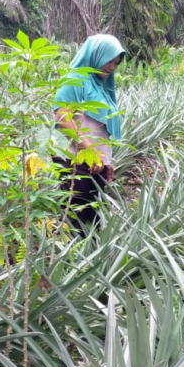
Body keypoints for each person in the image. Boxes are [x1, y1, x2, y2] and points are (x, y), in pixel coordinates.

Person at [53, 34, 125, 237]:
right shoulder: (75, 80)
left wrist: (106, 160)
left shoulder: (101, 85)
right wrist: (88, 150)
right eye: (109, 60)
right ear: (96, 55)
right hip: (75, 159)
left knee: (91, 215)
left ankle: (91, 260)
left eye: (116, 63)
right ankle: (73, 263)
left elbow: (100, 128)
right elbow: (63, 117)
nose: (112, 67)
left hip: (94, 161)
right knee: (77, 218)